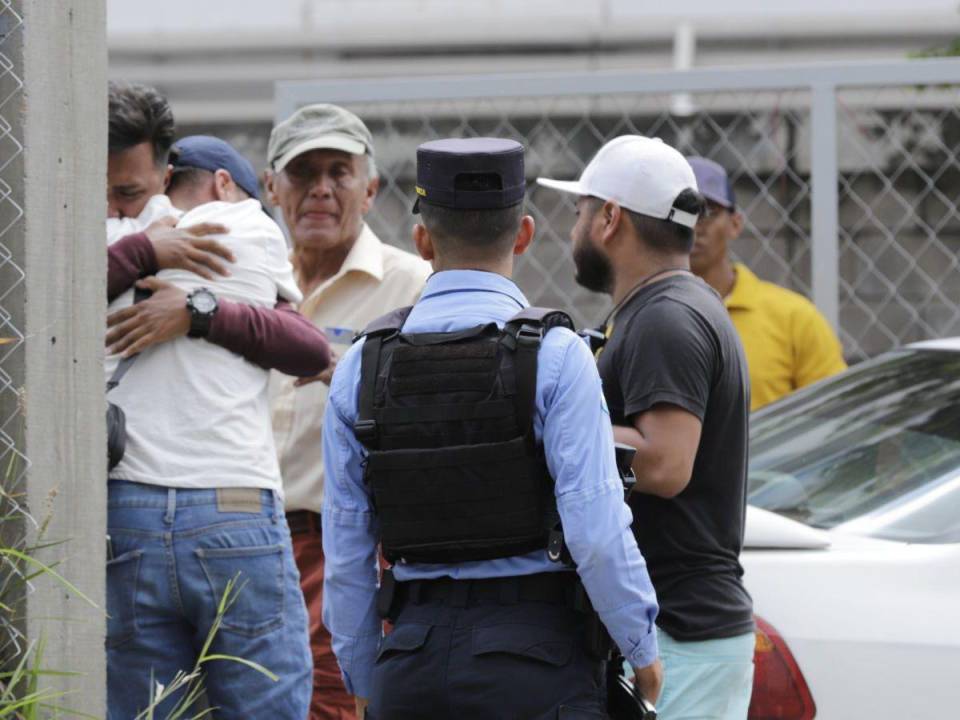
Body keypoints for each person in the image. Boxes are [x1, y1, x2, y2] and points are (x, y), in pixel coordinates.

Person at [322, 137, 662, 720]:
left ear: (422, 240)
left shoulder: (362, 365)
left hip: (410, 665)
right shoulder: (557, 357)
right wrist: (641, 647)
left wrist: (364, 675)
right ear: (525, 234)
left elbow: (348, 548)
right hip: (537, 667)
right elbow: (596, 529)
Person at [103, 86, 320, 720]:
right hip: (232, 503)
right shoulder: (246, 227)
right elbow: (307, 344)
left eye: (129, 194)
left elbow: (305, 345)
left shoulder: (68, 238)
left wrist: (195, 309)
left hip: (129, 507)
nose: (118, 208)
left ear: (170, 179)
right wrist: (157, 256)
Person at [538, 136, 755, 720]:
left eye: (580, 210)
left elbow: (663, 462)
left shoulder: (666, 316)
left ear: (610, 218)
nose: (574, 226)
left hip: (681, 634)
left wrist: (547, 426)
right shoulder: (665, 307)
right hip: (679, 633)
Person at [264, 103, 430, 719]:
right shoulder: (248, 277)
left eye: (339, 172)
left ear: (370, 188)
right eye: (303, 173)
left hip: (343, 546)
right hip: (240, 540)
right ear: (270, 186)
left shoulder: (412, 287)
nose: (321, 190)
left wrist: (348, 375)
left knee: (331, 702)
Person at [687, 156, 846, 410]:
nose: (693, 226)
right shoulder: (639, 317)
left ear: (735, 224)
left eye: (707, 213)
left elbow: (834, 414)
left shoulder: (794, 318)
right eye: (681, 213)